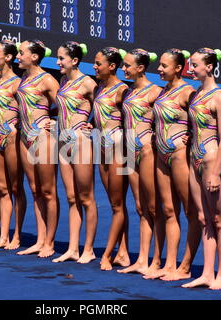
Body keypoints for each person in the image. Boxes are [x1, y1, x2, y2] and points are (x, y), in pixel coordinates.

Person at [143, 48, 201, 280]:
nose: (159, 69)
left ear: (178, 68)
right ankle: (169, 264)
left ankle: (185, 266)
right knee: (168, 210)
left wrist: (192, 136)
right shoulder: (162, 91)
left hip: (179, 155)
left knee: (190, 211)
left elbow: (206, 121)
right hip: (161, 155)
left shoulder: (188, 92)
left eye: (164, 66)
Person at [182, 48, 221, 290]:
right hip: (194, 160)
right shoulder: (196, 93)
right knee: (203, 218)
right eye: (190, 64)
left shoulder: (219, 96)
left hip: (211, 161)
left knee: (219, 219)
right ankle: (207, 273)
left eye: (195, 65)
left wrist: (216, 170)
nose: (190, 69)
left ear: (209, 67)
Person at [116, 49, 165, 275]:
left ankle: (157, 260)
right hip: (129, 151)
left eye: (127, 65)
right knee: (140, 207)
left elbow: (177, 118)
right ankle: (142, 259)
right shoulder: (127, 92)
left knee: (154, 207)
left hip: (147, 152)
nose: (123, 69)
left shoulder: (155, 92)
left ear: (141, 68)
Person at [52, 42, 99, 264]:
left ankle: (88, 249)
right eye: (58, 58)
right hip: (63, 141)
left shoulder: (88, 83)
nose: (58, 62)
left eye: (62, 58)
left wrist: (93, 126)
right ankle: (72, 248)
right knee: (71, 198)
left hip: (80, 143)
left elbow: (106, 110)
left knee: (86, 198)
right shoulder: (63, 81)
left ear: (75, 61)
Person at [85, 47, 130, 271]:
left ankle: (108, 254)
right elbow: (99, 117)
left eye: (98, 63)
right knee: (116, 204)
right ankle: (123, 252)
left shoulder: (123, 91)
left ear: (112, 66)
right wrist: (90, 124)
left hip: (119, 151)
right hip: (102, 150)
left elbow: (136, 119)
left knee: (117, 204)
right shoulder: (98, 88)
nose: (94, 66)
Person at [15, 40, 60, 258]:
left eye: (21, 53)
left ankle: (50, 242)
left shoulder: (48, 80)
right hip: (25, 138)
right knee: (35, 190)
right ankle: (40, 239)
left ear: (34, 56)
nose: (17, 56)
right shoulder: (24, 77)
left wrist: (53, 122)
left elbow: (66, 107)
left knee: (48, 191)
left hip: (43, 139)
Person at [0, 39, 27, 250]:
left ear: (8, 57)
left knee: (16, 188)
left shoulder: (18, 83)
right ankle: (3, 236)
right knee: (1, 188)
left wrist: (48, 120)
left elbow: (36, 108)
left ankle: (17, 235)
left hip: (11, 139)